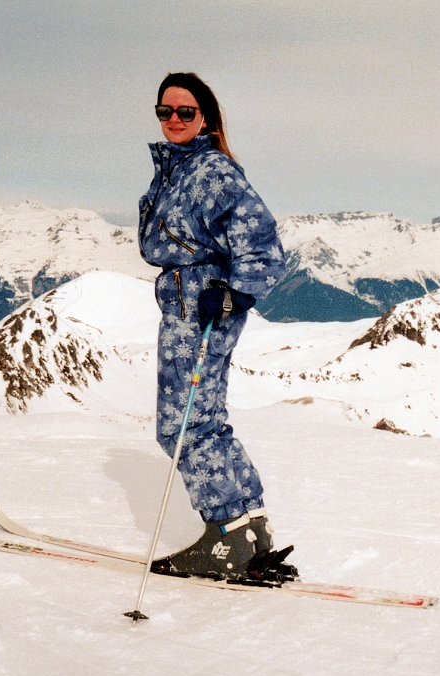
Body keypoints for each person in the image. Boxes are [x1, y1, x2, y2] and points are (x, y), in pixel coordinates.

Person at [138, 72, 295, 583]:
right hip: (193, 298)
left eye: (185, 112)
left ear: (205, 116)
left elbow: (265, 245)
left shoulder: (210, 171)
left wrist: (232, 292)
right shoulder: (180, 169)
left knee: (180, 425)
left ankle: (225, 535)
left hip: (200, 304)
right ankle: (249, 528)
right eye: (166, 112)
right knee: (204, 418)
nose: (175, 120)